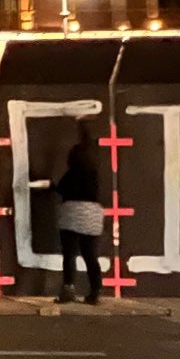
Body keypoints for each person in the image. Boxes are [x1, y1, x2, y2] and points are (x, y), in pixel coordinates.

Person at [53, 124, 104, 305]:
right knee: (91, 256)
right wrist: (84, 126)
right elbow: (88, 144)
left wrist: (49, 185)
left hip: (72, 214)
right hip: (92, 216)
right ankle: (95, 291)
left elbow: (60, 189)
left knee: (70, 254)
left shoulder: (71, 174)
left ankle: (68, 289)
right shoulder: (93, 174)